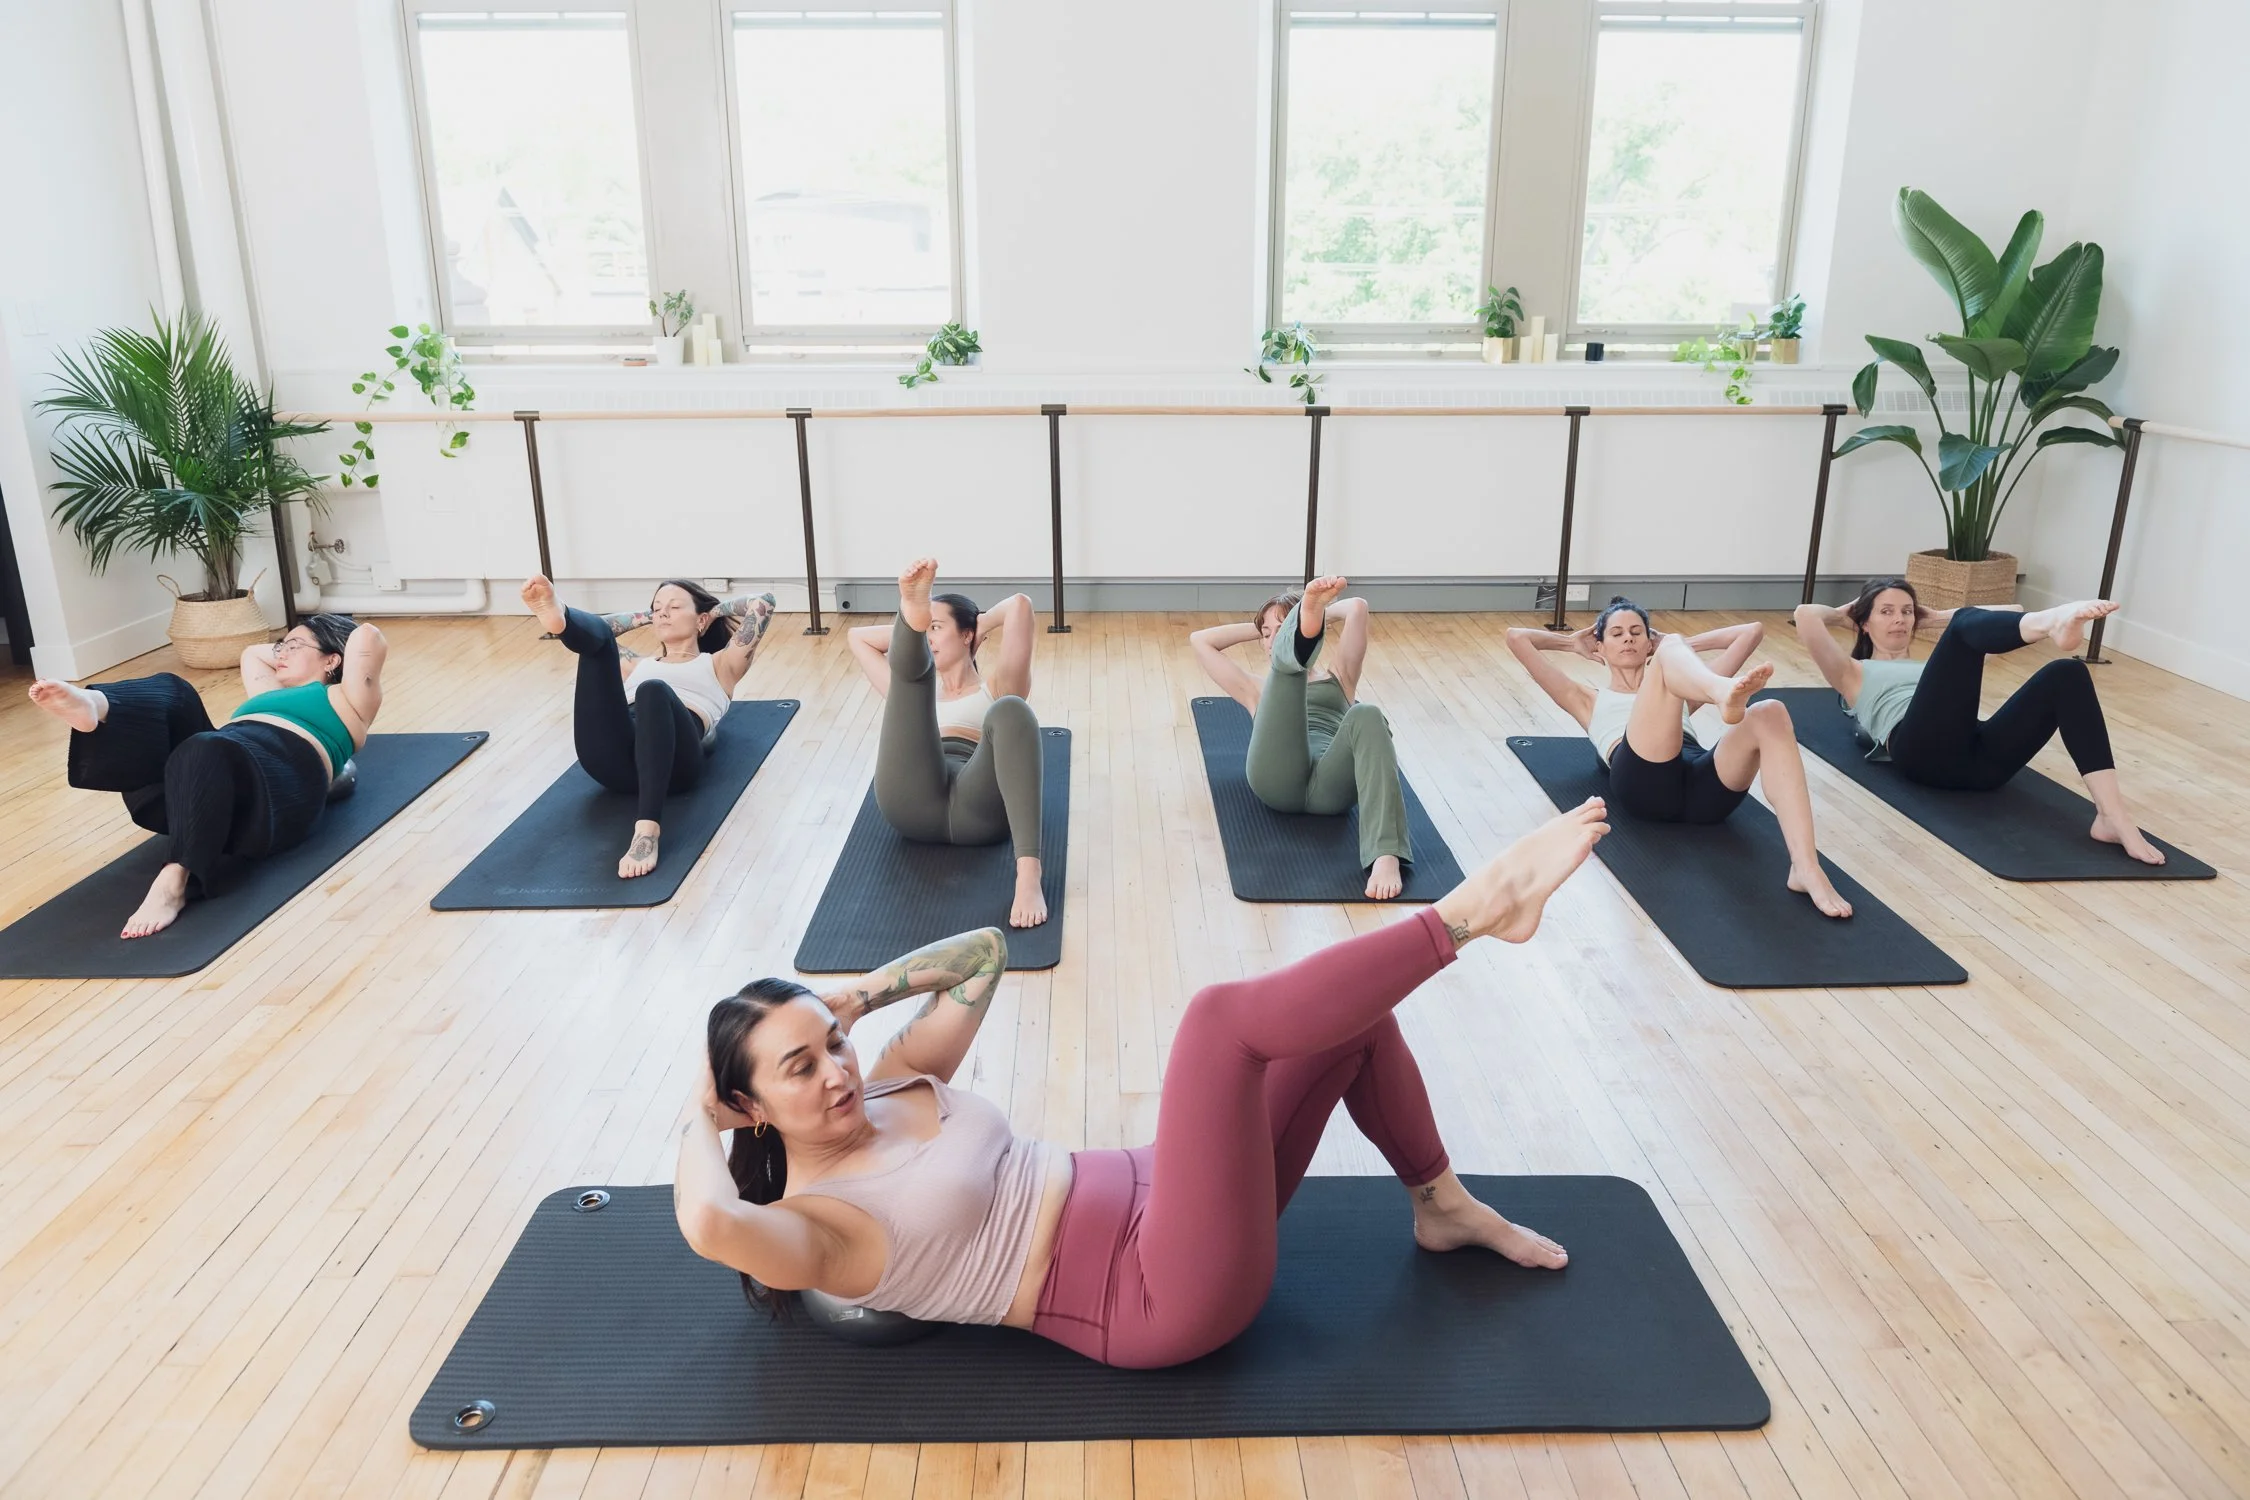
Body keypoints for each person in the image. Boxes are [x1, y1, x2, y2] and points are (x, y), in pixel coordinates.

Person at [672, 799, 1608, 1370]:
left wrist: (860, 996)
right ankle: (1472, 913)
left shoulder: (888, 1082)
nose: (835, 1071)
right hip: (1152, 1292)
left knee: (1352, 1022)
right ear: (748, 1105)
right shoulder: (814, 1225)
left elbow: (985, 958)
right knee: (1217, 1025)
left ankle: (1439, 1206)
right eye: (800, 1067)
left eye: (832, 1044)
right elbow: (711, 1226)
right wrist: (695, 1117)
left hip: (1171, 1194)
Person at [28, 613, 386, 938]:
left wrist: (320, 635)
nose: (281, 653)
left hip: (277, 792)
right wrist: (300, 645)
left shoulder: (348, 697)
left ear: (333, 659)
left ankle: (174, 879)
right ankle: (100, 708)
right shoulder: (269, 691)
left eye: (293, 646)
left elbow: (367, 638)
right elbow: (252, 653)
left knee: (206, 745)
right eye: (281, 646)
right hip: (201, 789)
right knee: (176, 691)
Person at [1508, 599, 1852, 919]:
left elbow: (1752, 631)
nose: (1628, 639)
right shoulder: (1585, 699)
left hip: (1702, 793)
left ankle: (1805, 867)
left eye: (1636, 633)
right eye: (1616, 634)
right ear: (1600, 646)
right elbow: (1517, 637)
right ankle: (1721, 692)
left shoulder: (1677, 681)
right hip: (1643, 785)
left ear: (1648, 644)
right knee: (1676, 664)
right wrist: (1574, 644)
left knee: (1770, 711)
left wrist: (1674, 646)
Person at [1794, 580, 2163, 865]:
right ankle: (2052, 622)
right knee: (1966, 626)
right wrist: (1846, 613)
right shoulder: (1852, 673)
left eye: (1907, 611)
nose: (1900, 619)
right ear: (1864, 623)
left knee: (2068, 673)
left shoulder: (1939, 668)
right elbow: (1805, 615)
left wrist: (1934, 617)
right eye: (1886, 611)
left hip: (1980, 764)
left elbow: (2011, 610)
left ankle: (2110, 817)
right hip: (1920, 752)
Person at [522, 574, 777, 879]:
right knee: (599, 643)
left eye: (674, 607)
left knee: (652, 690)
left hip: (675, 765)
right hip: (613, 763)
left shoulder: (721, 664)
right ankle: (559, 617)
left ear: (701, 620)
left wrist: (713, 612)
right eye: (657, 608)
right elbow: (602, 630)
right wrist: (650, 616)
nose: (663, 613)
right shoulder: (636, 664)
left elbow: (764, 603)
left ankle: (646, 832)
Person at [846, 558, 1047, 928]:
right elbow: (856, 637)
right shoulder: (916, 690)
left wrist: (979, 623)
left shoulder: (997, 686)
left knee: (1012, 709)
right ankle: (911, 612)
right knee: (909, 686)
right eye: (925, 631)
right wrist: (924, 625)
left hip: (979, 804)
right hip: (913, 800)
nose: (931, 639)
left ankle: (1029, 875)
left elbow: (1019, 604)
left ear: (967, 634)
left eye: (936, 629)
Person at [1190, 574, 1411, 900]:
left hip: (1331, 788)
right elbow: (1200, 640)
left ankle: (1385, 854)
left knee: (1367, 713)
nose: (1270, 638)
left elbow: (1357, 608)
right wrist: (1266, 627)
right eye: (1267, 635)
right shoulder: (1255, 688)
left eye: (1283, 630)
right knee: (1284, 674)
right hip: (1277, 779)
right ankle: (1294, 643)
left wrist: (1317, 612)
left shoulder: (1341, 677)